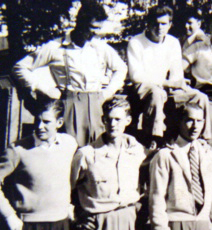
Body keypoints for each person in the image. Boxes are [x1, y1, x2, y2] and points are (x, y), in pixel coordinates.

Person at [12, 1, 127, 146]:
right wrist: (43, 89)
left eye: (99, 28)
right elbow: (19, 67)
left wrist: (108, 92)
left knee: (97, 148)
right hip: (69, 103)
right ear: (81, 23)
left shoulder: (100, 47)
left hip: (96, 104)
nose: (96, 33)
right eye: (93, 27)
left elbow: (121, 68)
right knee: (70, 147)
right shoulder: (56, 47)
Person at [0, 99, 79, 230]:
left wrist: (68, 203)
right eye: (37, 120)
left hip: (60, 224)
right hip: (30, 227)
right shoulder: (18, 150)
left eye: (46, 122)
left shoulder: (69, 144)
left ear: (59, 123)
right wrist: (9, 215)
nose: (40, 126)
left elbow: (70, 175)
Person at [72, 96, 147, 230]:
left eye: (118, 119)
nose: (113, 124)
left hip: (130, 219)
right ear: (103, 120)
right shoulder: (87, 154)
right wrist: (79, 216)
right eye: (108, 119)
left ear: (128, 120)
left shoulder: (137, 151)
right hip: (101, 221)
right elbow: (69, 190)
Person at [127, 5, 211, 147]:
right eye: (156, 23)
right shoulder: (136, 42)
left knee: (200, 96)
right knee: (157, 93)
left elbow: (176, 74)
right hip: (143, 89)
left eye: (164, 24)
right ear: (148, 23)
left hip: (166, 88)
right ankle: (155, 140)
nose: (159, 27)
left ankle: (203, 139)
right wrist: (167, 83)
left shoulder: (173, 42)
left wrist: (179, 85)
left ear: (170, 25)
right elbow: (136, 76)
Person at [149, 102, 212, 230]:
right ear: (180, 121)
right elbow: (156, 201)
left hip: (202, 226)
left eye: (199, 121)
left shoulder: (208, 155)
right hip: (177, 226)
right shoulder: (165, 155)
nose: (195, 126)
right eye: (190, 120)